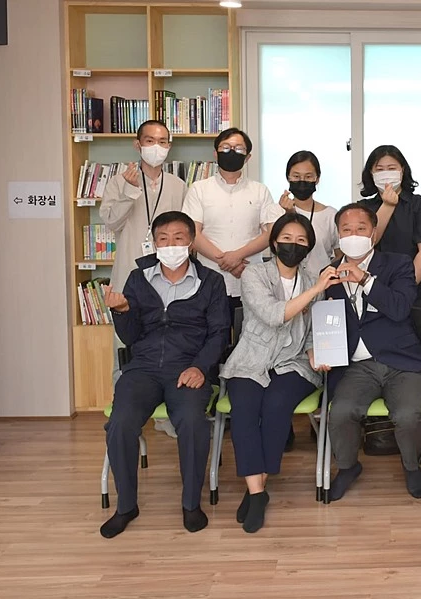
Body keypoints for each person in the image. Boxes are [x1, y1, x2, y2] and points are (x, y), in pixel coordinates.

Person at [99, 211, 230, 538]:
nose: (171, 244)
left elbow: (219, 334)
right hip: (142, 367)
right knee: (120, 423)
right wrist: (122, 312)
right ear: (154, 243)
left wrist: (200, 367)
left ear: (191, 243)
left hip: (188, 367)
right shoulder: (137, 278)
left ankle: (191, 504)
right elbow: (130, 337)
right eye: (163, 239)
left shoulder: (211, 282)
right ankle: (126, 506)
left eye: (179, 238)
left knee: (193, 422)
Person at [220, 213, 336, 533]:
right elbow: (273, 315)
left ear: (308, 247)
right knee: (244, 409)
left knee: (276, 405)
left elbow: (311, 330)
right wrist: (316, 289)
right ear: (273, 243)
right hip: (251, 359)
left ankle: (256, 488)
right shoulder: (254, 275)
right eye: (286, 239)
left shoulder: (312, 280)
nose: (292, 245)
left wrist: (314, 353)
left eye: (300, 241)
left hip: (293, 361)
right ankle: (258, 493)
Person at [322, 204, 421, 501]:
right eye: (346, 230)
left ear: (373, 233)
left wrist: (364, 279)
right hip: (356, 365)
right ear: (338, 235)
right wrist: (319, 350)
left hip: (401, 361)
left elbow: (399, 308)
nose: (353, 235)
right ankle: (348, 467)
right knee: (341, 412)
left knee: (407, 415)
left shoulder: (398, 264)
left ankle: (412, 466)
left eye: (361, 229)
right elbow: (325, 319)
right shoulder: (328, 273)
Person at [101, 119, 188, 438]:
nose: (156, 147)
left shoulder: (177, 185)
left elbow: (185, 230)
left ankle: (167, 416)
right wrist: (128, 191)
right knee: (124, 342)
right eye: (150, 140)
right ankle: (124, 415)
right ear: (137, 145)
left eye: (163, 141)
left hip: (167, 273)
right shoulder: (118, 181)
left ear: (169, 146)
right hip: (130, 272)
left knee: (168, 338)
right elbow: (110, 222)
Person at [183, 128, 277, 327]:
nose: (231, 152)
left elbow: (271, 233)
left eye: (238, 149)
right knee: (214, 335)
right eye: (225, 147)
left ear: (248, 157)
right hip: (210, 278)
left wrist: (237, 256)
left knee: (251, 336)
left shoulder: (260, 191)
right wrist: (226, 261)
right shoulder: (199, 189)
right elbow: (192, 233)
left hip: (250, 278)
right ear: (215, 153)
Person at [357, 145, 421, 337]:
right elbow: (365, 244)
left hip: (415, 294)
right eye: (379, 169)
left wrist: (402, 290)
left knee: (414, 351)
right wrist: (387, 206)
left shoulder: (419, 205)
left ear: (402, 170)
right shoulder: (363, 208)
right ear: (371, 173)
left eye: (392, 168)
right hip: (371, 293)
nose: (386, 173)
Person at [276, 150, 340, 279]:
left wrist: (326, 272)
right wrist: (289, 214)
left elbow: (340, 254)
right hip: (284, 283)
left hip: (321, 283)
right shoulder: (276, 210)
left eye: (308, 176)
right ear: (288, 177)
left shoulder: (331, 215)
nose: (302, 181)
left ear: (317, 179)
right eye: (296, 176)